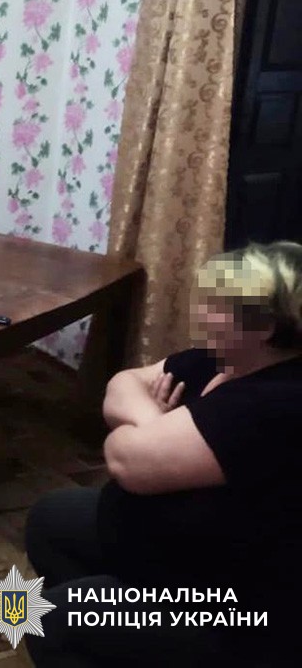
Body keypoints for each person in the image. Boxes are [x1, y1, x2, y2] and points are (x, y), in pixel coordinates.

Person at [24, 242, 302, 667]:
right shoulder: (224, 358)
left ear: (264, 326)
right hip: (176, 547)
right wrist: (156, 424)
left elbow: (123, 459)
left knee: (50, 621)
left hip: (234, 607)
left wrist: (143, 437)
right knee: (52, 519)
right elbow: (124, 383)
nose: (201, 314)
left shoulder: (276, 401)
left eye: (218, 305)